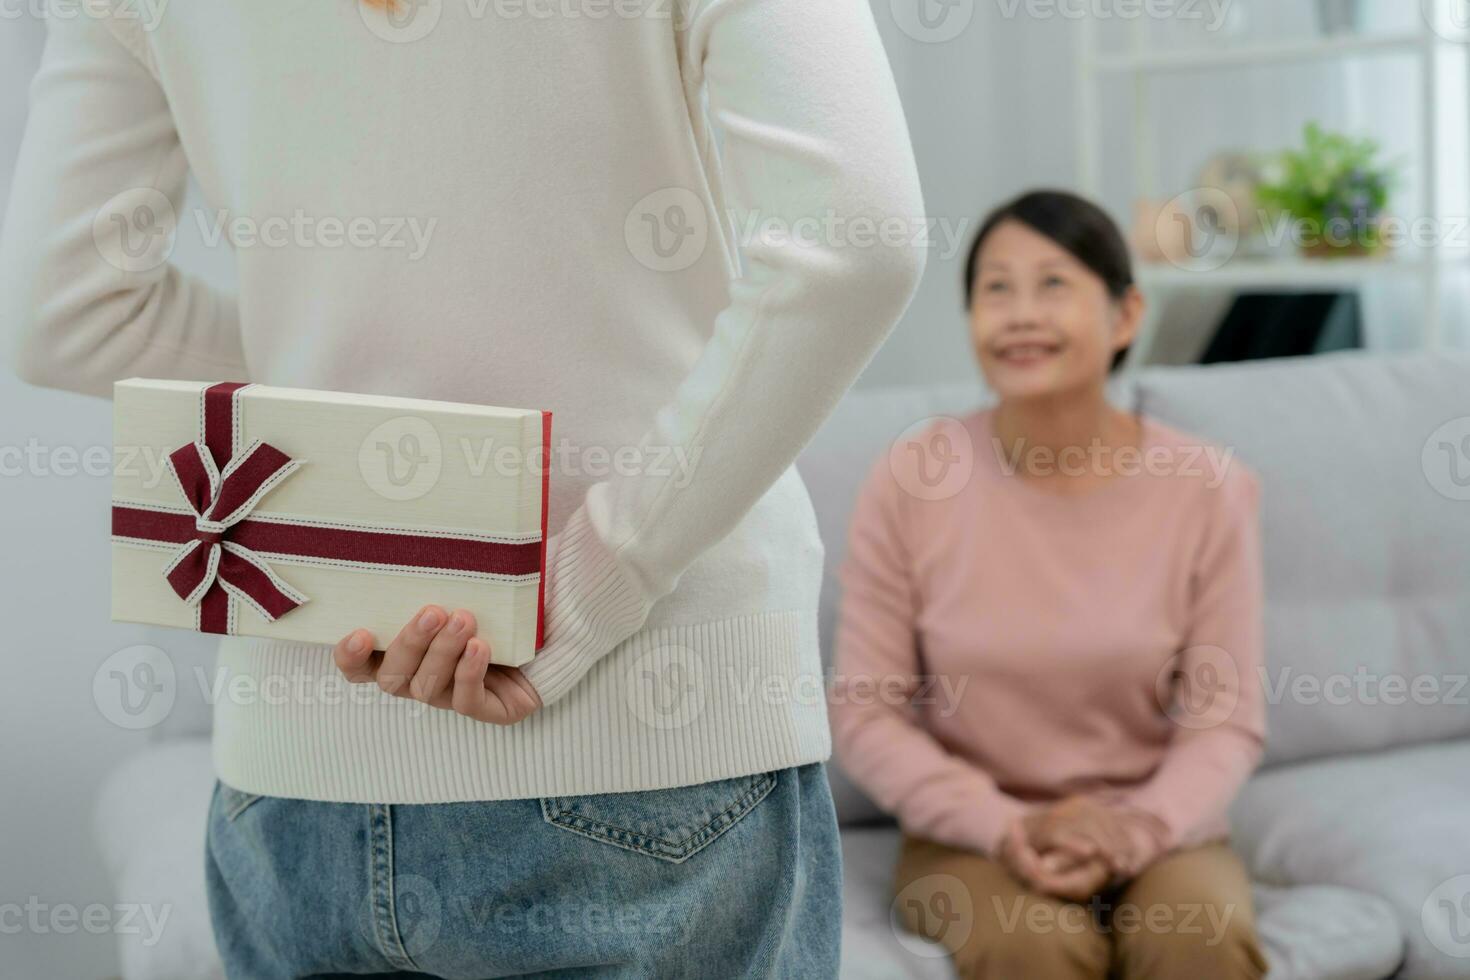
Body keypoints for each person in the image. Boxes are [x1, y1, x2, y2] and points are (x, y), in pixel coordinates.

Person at [0, 0, 927, 974]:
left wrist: (370, 424)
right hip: (650, 743)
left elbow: (65, 313)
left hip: (294, 778)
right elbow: (854, 243)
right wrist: (583, 585)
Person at [830, 190, 1270, 979]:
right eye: (996, 288)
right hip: (967, 832)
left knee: (1196, 936)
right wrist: (1003, 826)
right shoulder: (914, 478)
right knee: (1032, 944)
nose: (1021, 313)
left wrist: (1136, 830)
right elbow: (867, 714)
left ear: (1126, 315)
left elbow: (1226, 721)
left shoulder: (1209, 487)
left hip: (1157, 820)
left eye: (1054, 285)